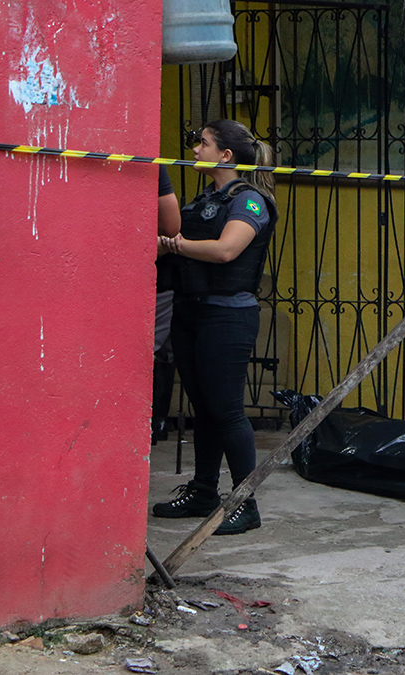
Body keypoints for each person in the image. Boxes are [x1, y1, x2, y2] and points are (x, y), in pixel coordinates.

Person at [151, 119, 277, 536]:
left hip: (228, 316)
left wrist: (176, 245)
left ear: (225, 155)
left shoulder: (250, 201)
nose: (195, 149)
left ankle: (245, 503)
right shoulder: (206, 198)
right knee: (202, 407)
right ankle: (205, 491)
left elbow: (226, 250)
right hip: (191, 311)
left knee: (226, 410)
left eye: (203, 143)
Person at [153, 165, 182, 443]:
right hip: (160, 278)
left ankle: (156, 422)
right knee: (159, 352)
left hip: (160, 279)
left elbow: (172, 228)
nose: (195, 149)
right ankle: (156, 423)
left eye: (203, 144)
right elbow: (172, 227)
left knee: (158, 352)